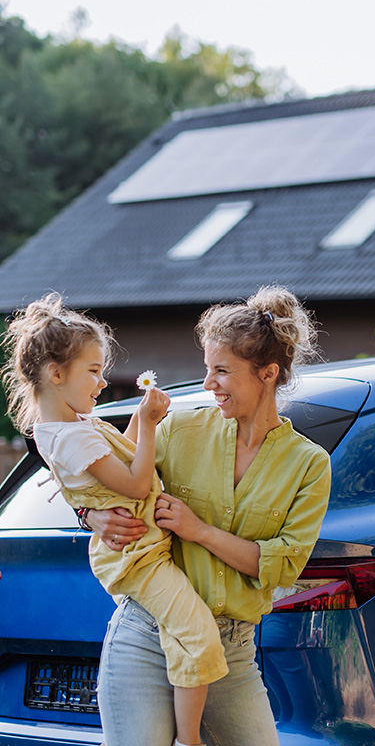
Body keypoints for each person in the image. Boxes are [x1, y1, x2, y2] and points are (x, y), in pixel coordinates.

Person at [85, 285, 331, 746]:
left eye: (221, 371)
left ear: (268, 373)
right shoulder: (178, 429)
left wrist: (198, 531)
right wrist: (89, 515)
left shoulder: (308, 464)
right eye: (206, 369)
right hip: (148, 634)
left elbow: (280, 565)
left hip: (231, 650)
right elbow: (98, 477)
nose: (207, 384)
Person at [1, 293, 228, 746]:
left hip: (141, 550)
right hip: (138, 558)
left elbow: (118, 457)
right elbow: (136, 484)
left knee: (184, 634)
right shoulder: (68, 438)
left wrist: (147, 425)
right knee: (198, 634)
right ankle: (189, 740)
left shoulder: (74, 426)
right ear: (55, 373)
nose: (102, 382)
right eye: (94, 371)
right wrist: (145, 421)